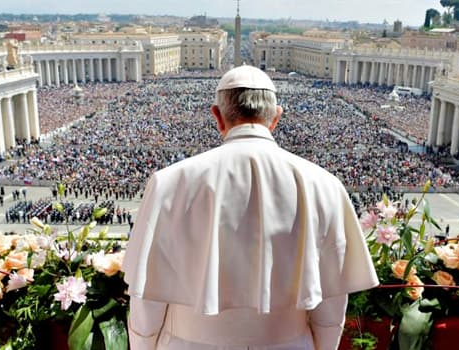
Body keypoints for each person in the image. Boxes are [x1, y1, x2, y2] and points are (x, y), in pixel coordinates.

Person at [123, 66, 379, 350]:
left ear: (217, 117)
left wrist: (142, 346)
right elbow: (331, 303)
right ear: (275, 118)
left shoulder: (168, 183)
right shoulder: (325, 185)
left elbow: (147, 300)